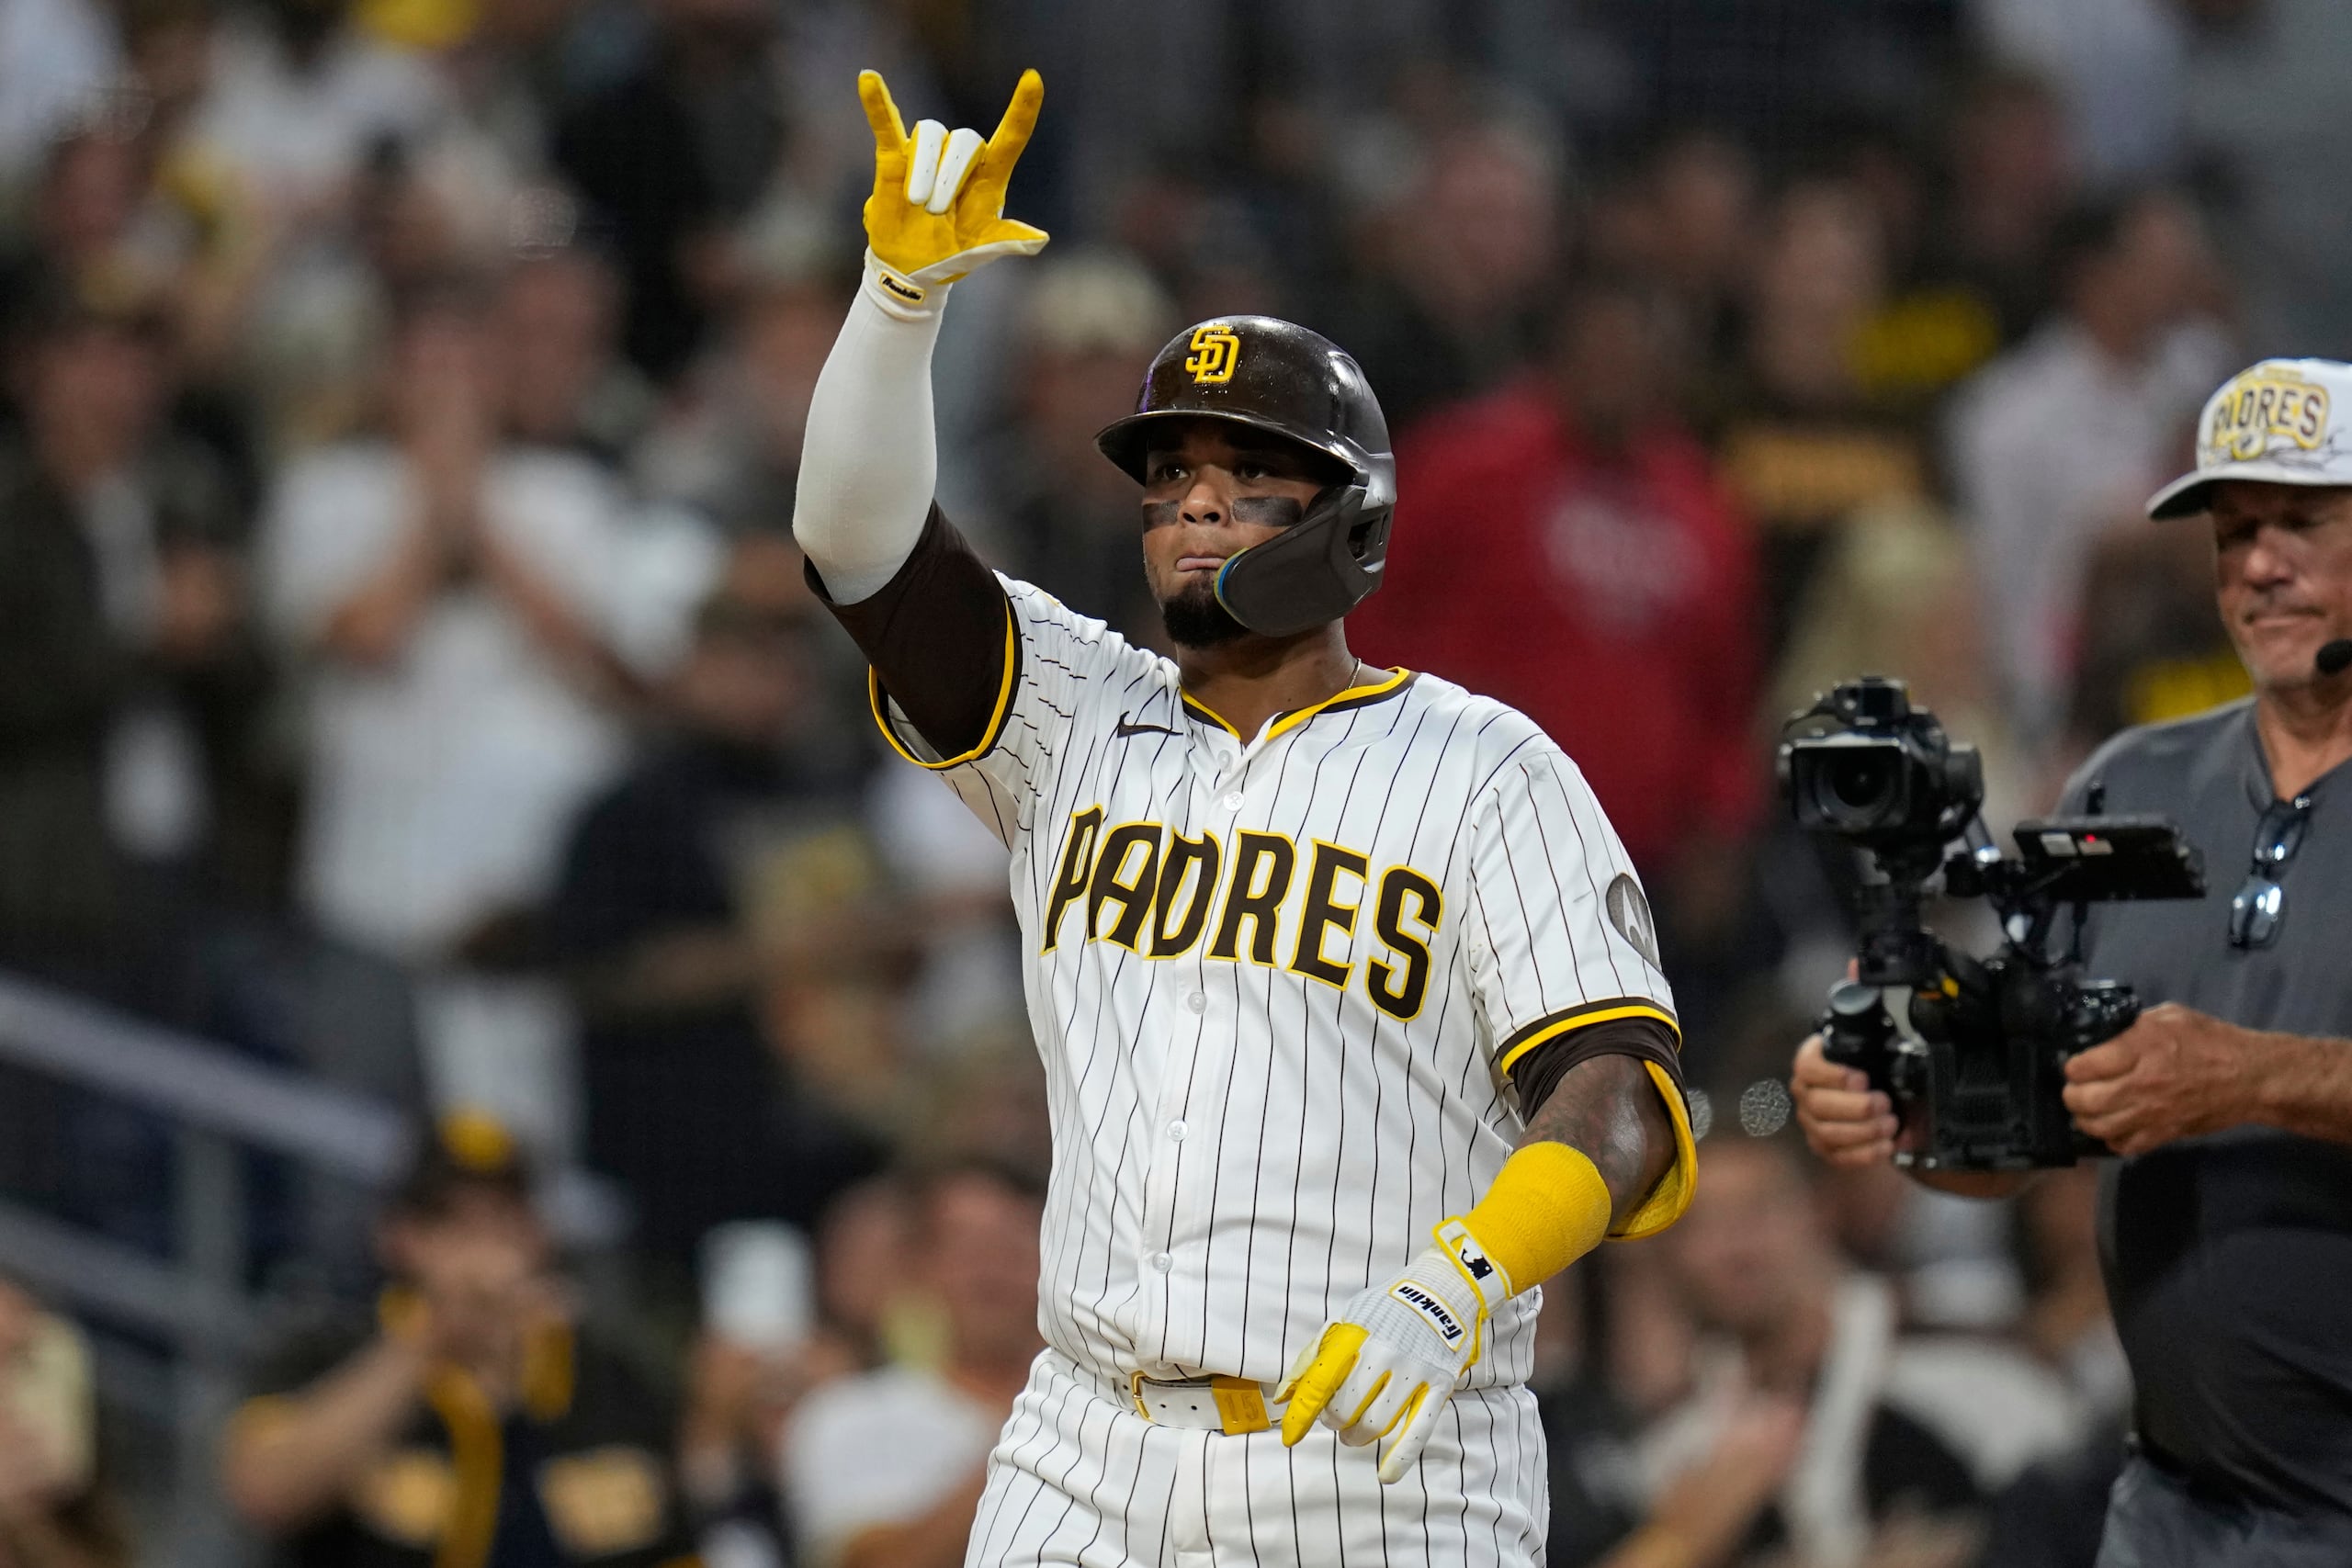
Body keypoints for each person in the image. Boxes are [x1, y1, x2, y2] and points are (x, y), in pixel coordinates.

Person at [788, 67, 1694, 1565]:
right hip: (1084, 1442)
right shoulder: (1073, 710)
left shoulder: (1487, 766)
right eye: (1169, 479)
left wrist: (1469, 1275)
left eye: (1246, 476)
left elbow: (1622, 1097)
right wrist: (895, 304)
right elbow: (854, 545)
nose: (1193, 508)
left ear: (1354, 518)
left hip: (1388, 1460)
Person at [1792, 357, 2352, 1563]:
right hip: (2175, 1501)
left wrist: (2255, 1079)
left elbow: (2232, 1077)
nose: (2259, 565)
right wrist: (1903, 1106)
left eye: (2303, 524)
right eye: (2233, 530)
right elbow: (2025, 1133)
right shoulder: (2129, 786)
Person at [220, 1111, 701, 1568]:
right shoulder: (327, 1351)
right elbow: (265, 1495)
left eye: (502, 1219)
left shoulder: (608, 1375)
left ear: (539, 1236)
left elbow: (681, 1532)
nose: (481, 1247)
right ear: (397, 1237)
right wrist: (426, 1345)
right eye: (451, 1223)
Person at [781, 1160, 1046, 1568]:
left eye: (1015, 1245)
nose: (992, 1269)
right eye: (967, 1247)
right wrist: (1041, 1428)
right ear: (918, 1265)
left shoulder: (1128, 1412)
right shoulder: (849, 1416)